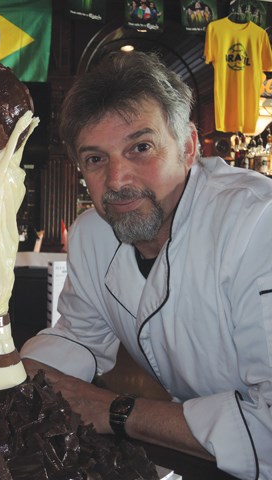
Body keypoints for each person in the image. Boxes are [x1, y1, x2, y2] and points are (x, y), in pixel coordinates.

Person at [20, 51, 272, 480]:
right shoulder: (93, 234)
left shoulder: (256, 224)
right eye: (96, 159)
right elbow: (79, 338)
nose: (117, 181)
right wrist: (13, 377)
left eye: (140, 147)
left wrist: (118, 412)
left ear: (188, 147)